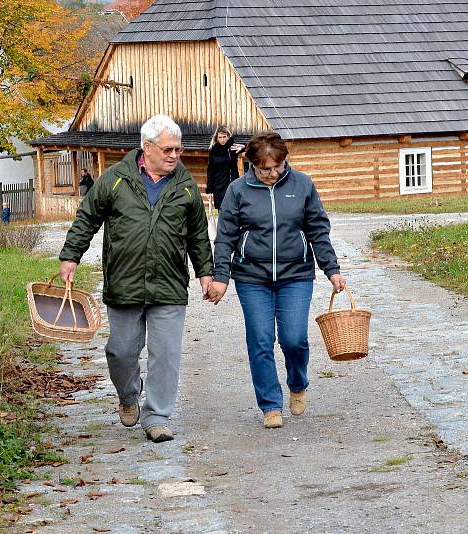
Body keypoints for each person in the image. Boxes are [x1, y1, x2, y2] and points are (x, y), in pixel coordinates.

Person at [59, 115, 213, 443]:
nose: (175, 155)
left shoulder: (185, 185)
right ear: (147, 147)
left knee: (166, 353)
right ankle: (129, 394)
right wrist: (71, 256)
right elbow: (87, 217)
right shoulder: (115, 179)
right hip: (124, 282)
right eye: (168, 149)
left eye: (179, 149)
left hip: (169, 283)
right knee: (120, 351)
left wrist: (206, 273)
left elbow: (199, 233)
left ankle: (157, 416)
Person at [206, 131, 346, 429]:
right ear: (252, 165)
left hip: (295, 274)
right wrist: (221, 277)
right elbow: (225, 237)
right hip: (251, 277)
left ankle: (298, 382)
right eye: (265, 169)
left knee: (294, 339)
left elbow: (317, 230)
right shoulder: (237, 190)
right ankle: (270, 405)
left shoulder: (302, 184)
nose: (273, 173)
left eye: (278, 166)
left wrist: (331, 269)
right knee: (260, 340)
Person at [206, 126, 245, 211]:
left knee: (234, 212)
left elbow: (252, 150)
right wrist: (209, 190)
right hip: (218, 187)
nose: (222, 140)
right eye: (220, 137)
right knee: (222, 212)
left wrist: (243, 147)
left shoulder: (232, 148)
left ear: (228, 136)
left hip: (232, 185)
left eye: (224, 137)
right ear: (217, 137)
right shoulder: (213, 151)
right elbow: (210, 171)